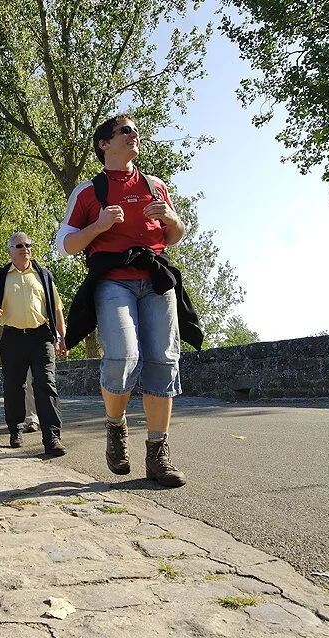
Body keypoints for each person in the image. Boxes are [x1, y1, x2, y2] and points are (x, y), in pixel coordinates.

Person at [56, 114, 203, 488]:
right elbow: (67, 246)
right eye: (125, 131)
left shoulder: (155, 185)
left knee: (164, 359)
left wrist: (172, 218)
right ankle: (116, 425)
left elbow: (173, 236)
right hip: (113, 282)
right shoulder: (89, 192)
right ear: (104, 144)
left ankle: (158, 455)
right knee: (123, 354)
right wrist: (99, 226)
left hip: (155, 279)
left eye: (135, 131)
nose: (133, 135)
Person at [0, 232, 68, 457]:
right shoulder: (0, 277)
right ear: (9, 250)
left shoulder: (43, 275)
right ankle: (16, 428)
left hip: (41, 337)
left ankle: (52, 437)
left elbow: (57, 309)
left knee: (46, 385)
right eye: (18, 245)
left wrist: (62, 337)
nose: (24, 248)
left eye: (28, 244)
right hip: (12, 338)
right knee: (14, 387)